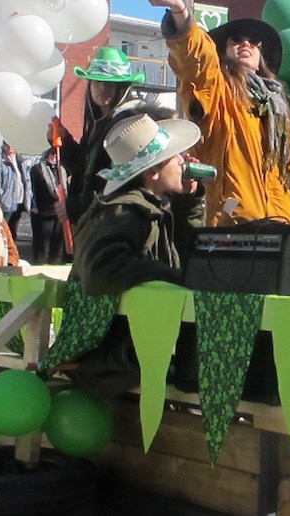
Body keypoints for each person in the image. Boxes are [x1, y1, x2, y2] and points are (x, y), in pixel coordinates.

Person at [139, 0, 290, 225]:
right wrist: (179, 12)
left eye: (254, 41)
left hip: (283, 229)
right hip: (235, 231)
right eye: (236, 40)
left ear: (261, 55)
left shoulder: (277, 109)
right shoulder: (217, 92)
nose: (245, 44)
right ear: (223, 51)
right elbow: (197, 61)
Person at [70, 113, 204, 396]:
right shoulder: (128, 212)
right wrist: (170, 277)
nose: (183, 161)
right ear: (152, 171)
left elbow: (190, 251)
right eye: (174, 156)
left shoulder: (147, 208)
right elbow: (100, 272)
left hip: (127, 354)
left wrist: (188, 203)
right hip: (116, 359)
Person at [57, 46, 155, 233]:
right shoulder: (98, 124)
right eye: (97, 82)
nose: (102, 88)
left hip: (115, 225)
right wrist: (65, 142)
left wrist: (77, 206)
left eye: (110, 83)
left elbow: (122, 183)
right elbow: (85, 171)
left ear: (122, 87)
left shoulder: (130, 124)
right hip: (92, 224)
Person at [29, 147, 65, 264]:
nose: (55, 156)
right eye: (52, 154)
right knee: (43, 245)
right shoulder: (38, 169)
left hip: (59, 211)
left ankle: (55, 265)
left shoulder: (61, 169)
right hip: (43, 211)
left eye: (56, 154)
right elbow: (32, 188)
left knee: (57, 244)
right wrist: (33, 205)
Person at [0, 141, 31, 238]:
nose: (10, 147)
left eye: (12, 144)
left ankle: (12, 251)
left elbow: (26, 180)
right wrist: (1, 196)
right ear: (3, 146)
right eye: (7, 145)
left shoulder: (20, 160)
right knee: (3, 230)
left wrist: (28, 198)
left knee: (13, 230)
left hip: (19, 200)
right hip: (6, 202)